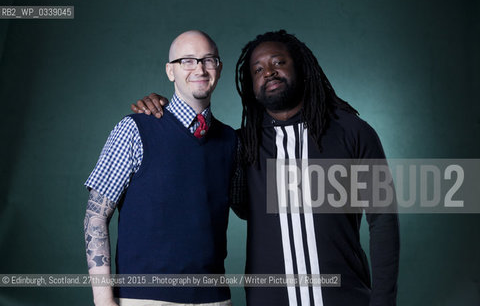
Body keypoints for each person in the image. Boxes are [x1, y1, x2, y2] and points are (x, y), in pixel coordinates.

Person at [132, 30, 400, 306]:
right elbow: (196, 152)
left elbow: (383, 221)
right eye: (258, 69)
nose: (268, 72)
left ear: (301, 67)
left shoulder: (352, 132)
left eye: (278, 62)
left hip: (345, 298)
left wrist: (383, 301)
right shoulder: (242, 144)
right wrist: (160, 108)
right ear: (250, 86)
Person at [84, 30, 238, 306]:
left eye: (208, 60)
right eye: (187, 61)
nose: (200, 68)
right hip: (144, 298)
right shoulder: (134, 129)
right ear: (170, 71)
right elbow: (95, 217)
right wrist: (104, 301)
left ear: (219, 68)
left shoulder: (230, 140)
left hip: (215, 298)